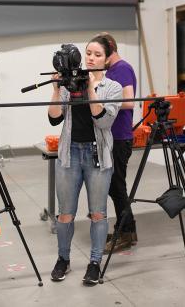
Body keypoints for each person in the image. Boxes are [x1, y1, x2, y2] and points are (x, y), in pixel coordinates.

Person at [48, 37, 122, 285]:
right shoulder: (69, 86)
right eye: (88, 53)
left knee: (98, 214)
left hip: (97, 155)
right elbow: (54, 119)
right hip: (70, 154)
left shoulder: (113, 88)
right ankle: (63, 259)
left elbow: (103, 121)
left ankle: (94, 263)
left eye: (97, 54)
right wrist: (58, 89)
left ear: (107, 59)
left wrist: (90, 87)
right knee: (65, 214)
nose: (90, 58)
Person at [92, 33, 138, 254]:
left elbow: (129, 100)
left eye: (98, 53)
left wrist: (105, 100)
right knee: (113, 186)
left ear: (109, 51)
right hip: (110, 135)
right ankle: (126, 228)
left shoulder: (123, 68)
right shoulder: (111, 71)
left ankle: (127, 232)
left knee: (117, 186)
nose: (93, 57)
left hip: (120, 135)